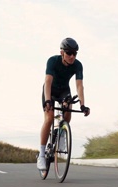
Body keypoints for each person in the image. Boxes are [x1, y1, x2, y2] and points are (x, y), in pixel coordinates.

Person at [37, 37, 90, 170]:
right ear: (62, 52)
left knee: (68, 112)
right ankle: (42, 155)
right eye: (69, 53)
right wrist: (48, 100)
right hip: (50, 90)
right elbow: (48, 81)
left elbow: (79, 86)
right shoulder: (53, 61)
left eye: (74, 53)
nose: (72, 56)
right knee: (49, 118)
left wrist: (83, 105)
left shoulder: (78, 65)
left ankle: (61, 135)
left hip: (64, 91)